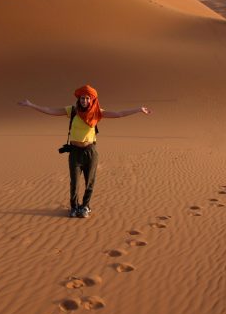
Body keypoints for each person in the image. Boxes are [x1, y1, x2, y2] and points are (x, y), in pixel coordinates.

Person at [17, 84, 151, 218]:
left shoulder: (97, 112)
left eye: (87, 98)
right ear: (79, 99)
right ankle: (74, 207)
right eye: (82, 98)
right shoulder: (73, 110)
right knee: (74, 182)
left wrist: (138, 109)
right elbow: (50, 110)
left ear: (91, 100)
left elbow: (119, 114)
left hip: (90, 152)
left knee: (90, 181)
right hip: (75, 152)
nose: (84, 101)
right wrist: (31, 105)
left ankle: (85, 206)